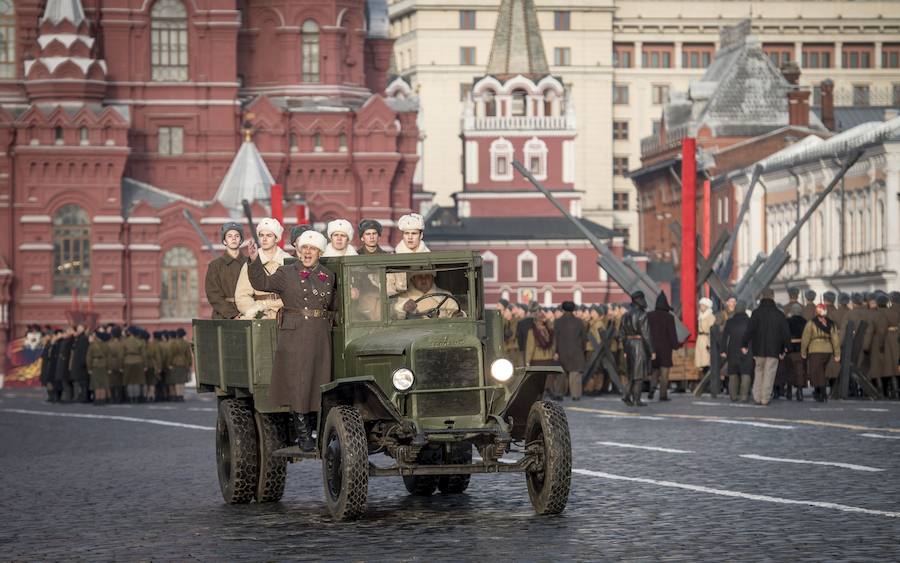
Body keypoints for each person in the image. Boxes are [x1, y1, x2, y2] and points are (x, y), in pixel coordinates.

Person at [246, 230, 335, 452]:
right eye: (304, 248)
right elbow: (262, 282)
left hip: (320, 333)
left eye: (312, 249)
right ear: (298, 250)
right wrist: (254, 260)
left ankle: (317, 429)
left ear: (319, 252)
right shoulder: (286, 272)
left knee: (319, 380)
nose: (307, 252)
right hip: (295, 333)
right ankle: (303, 432)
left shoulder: (328, 275)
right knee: (300, 381)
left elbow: (334, 305)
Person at [741, 288, 790, 406]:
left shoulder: (756, 313)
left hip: (758, 349)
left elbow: (749, 330)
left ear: (762, 297)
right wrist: (785, 348)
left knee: (758, 372)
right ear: (773, 297)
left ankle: (757, 397)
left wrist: (744, 344)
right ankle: (765, 398)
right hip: (774, 350)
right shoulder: (779, 314)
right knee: (769, 373)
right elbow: (786, 333)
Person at [235, 218, 291, 319]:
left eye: (269, 235)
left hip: (285, 314)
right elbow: (242, 295)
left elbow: (294, 293)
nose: (264, 239)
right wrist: (254, 311)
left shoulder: (287, 262)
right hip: (260, 315)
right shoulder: (251, 263)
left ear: (276, 238)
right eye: (261, 235)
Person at [205, 222, 247, 320]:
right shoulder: (215, 266)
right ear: (224, 241)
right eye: (229, 236)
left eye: (237, 236)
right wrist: (232, 314)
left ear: (241, 240)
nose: (233, 238)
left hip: (247, 315)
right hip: (222, 316)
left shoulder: (249, 263)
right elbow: (213, 294)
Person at [619, 291, 655, 407]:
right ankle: (636, 399)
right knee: (638, 375)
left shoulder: (625, 315)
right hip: (639, 345)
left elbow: (621, 334)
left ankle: (626, 395)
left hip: (628, 345)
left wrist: (625, 349)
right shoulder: (642, 315)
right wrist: (652, 350)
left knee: (631, 373)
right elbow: (646, 334)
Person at [800, 303, 841, 402]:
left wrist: (803, 351)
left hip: (815, 349)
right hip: (828, 350)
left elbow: (805, 338)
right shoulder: (831, 323)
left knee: (816, 372)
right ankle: (820, 391)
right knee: (821, 371)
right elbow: (835, 339)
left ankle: (821, 393)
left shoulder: (811, 323)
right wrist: (837, 353)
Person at [647, 292, 679, 401]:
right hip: (666, 349)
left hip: (653, 349)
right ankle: (663, 394)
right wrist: (675, 346)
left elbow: (647, 332)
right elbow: (672, 333)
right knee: (665, 372)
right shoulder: (669, 317)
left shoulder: (649, 316)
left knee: (655, 370)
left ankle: (652, 388)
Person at [720, 300, 753, 402]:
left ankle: (733, 396)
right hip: (747, 350)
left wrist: (723, 350)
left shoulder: (730, 322)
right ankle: (744, 396)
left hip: (732, 351)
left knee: (733, 374)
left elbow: (724, 337)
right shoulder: (750, 321)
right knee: (746, 373)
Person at [393, 271, 462, 319]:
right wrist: (403, 308)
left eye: (427, 276)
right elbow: (393, 315)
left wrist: (456, 315)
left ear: (432, 278)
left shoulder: (446, 296)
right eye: (419, 276)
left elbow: (456, 313)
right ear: (413, 279)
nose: (424, 280)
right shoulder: (403, 297)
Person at [554, 301, 586, 401]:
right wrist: (582, 348)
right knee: (575, 374)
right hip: (576, 350)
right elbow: (583, 337)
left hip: (561, 350)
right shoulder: (579, 322)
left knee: (561, 374)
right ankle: (575, 395)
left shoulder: (558, 321)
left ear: (563, 309)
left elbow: (555, 338)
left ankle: (559, 393)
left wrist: (555, 351)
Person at [525, 304, 557, 398]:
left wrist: (527, 361)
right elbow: (553, 345)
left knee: (537, 379)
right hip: (548, 358)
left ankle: (539, 394)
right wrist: (553, 354)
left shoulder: (532, 332)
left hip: (537, 360)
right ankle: (549, 391)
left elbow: (530, 347)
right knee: (548, 377)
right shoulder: (550, 330)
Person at [166, 328, 192, 402]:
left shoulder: (173, 343)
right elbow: (188, 355)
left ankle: (177, 396)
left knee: (177, 381)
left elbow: (170, 354)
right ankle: (181, 395)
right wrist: (189, 364)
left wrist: (169, 363)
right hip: (184, 363)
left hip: (175, 363)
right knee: (182, 381)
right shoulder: (186, 343)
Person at [122, 326, 147, 403]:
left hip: (127, 361)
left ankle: (130, 398)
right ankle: (137, 398)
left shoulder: (124, 341)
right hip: (138, 360)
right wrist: (145, 365)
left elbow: (121, 354)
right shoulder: (140, 341)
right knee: (137, 380)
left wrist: (121, 364)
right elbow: (144, 354)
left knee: (129, 381)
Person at [87, 330, 111, 405]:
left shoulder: (92, 345)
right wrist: (109, 368)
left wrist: (89, 368)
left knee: (96, 383)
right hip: (104, 365)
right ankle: (103, 400)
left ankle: (97, 400)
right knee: (103, 383)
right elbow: (108, 357)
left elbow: (88, 358)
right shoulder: (106, 345)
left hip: (95, 364)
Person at [69, 324, 90, 403]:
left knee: (83, 382)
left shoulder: (83, 339)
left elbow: (84, 352)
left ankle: (84, 397)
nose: (78, 329)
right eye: (78, 328)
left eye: (80, 328)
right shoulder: (78, 339)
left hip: (81, 364)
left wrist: (83, 362)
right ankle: (80, 396)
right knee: (79, 382)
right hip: (78, 363)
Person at [695, 297, 715, 375]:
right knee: (701, 362)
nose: (701, 307)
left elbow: (712, 331)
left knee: (707, 361)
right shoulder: (700, 316)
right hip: (700, 340)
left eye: (703, 305)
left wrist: (709, 343)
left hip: (706, 340)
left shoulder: (710, 317)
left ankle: (707, 381)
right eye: (701, 305)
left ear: (707, 306)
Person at [107, 325, 125, 403]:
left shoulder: (108, 343)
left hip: (110, 363)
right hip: (118, 363)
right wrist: (121, 366)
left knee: (111, 382)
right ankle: (119, 398)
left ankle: (112, 398)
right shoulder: (121, 344)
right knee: (119, 382)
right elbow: (121, 356)